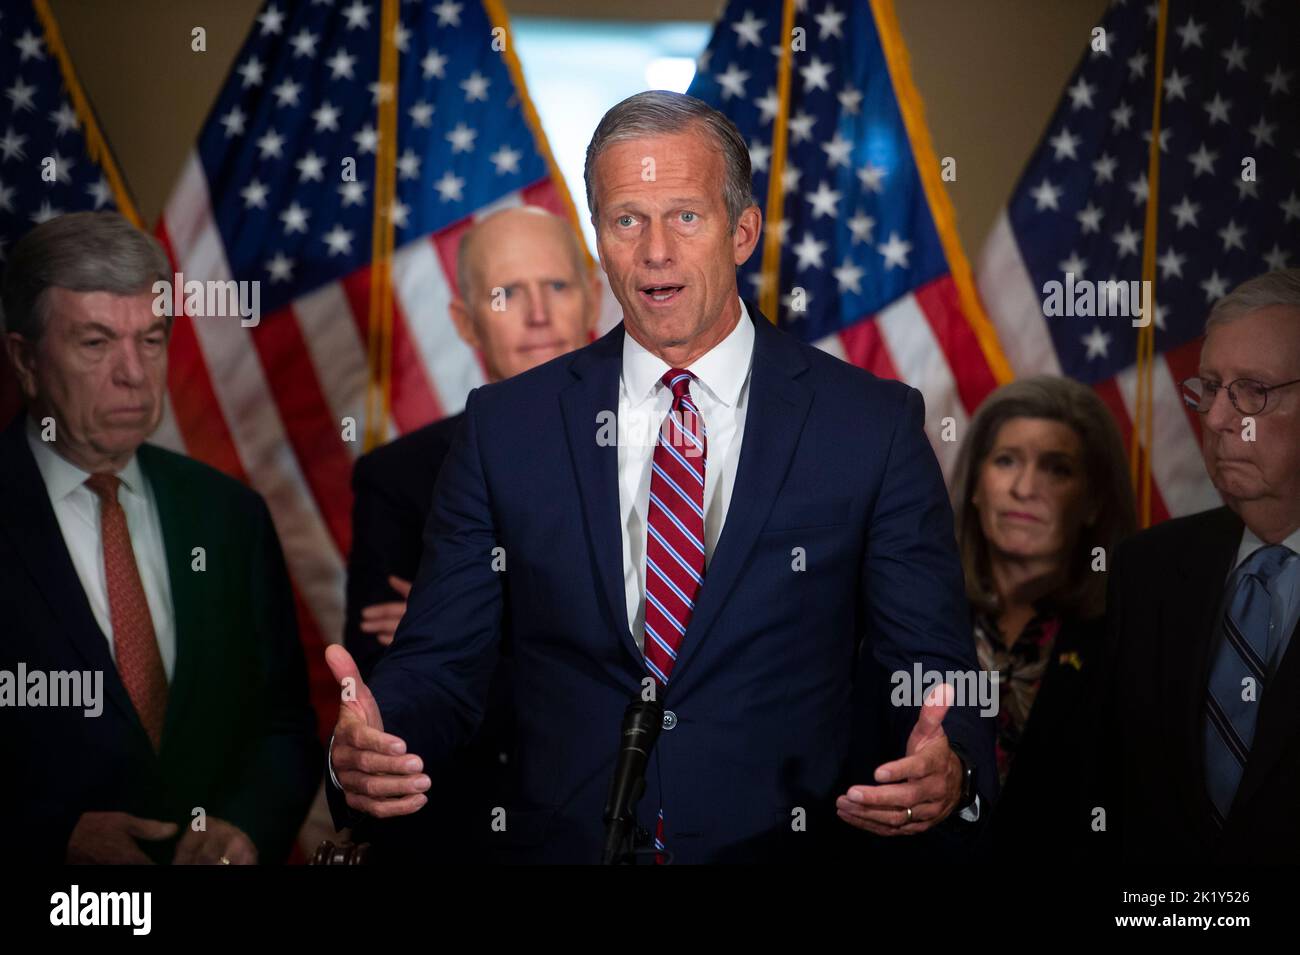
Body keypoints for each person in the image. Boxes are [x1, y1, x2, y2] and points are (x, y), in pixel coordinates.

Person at [326, 90, 995, 863]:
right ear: (599, 239)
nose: (654, 253)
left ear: (742, 231)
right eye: (625, 220)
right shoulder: (507, 426)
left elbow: (933, 667)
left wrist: (955, 764)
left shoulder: (870, 425)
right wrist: (379, 737)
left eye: (685, 216)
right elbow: (440, 662)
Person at [0, 212, 321, 864]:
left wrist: (245, 828)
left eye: (150, 339)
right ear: (25, 359)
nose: (134, 373)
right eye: (95, 343)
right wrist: (54, 834)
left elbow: (285, 726)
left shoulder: (229, 514)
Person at [341, 206, 599, 861]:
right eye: (506, 293)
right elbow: (396, 696)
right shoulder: (397, 480)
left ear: (594, 296)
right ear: (465, 322)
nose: (538, 314)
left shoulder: (672, 450)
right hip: (472, 837)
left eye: (558, 287)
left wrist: (480, 631)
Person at [1104, 268, 1300, 862]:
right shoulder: (1146, 569)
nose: (1215, 420)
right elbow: (1104, 787)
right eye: (1210, 387)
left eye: (1251, 392)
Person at [950, 376, 1135, 859]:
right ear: (975, 485)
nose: (1025, 488)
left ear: (1093, 501)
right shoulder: (904, 615)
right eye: (1006, 460)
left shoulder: (1131, 638)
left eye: (1057, 469)